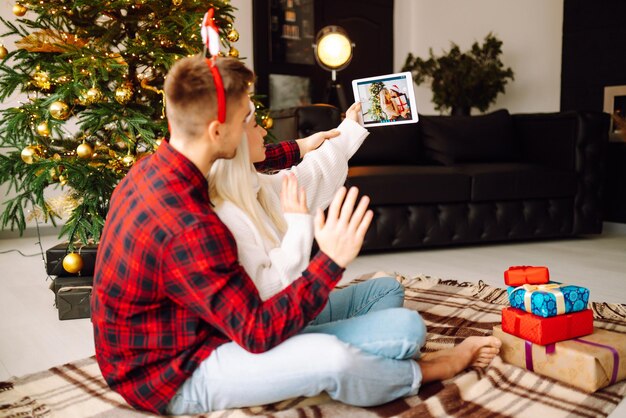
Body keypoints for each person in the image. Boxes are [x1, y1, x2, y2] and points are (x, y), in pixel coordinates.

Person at [92, 55, 501, 416]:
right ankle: (429, 369)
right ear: (218, 132)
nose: (257, 125)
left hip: (198, 328)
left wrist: (301, 147)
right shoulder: (190, 223)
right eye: (247, 119)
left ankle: (326, 357)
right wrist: (330, 261)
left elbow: (250, 161)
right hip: (172, 373)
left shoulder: (153, 167)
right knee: (332, 358)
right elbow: (256, 332)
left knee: (379, 306)